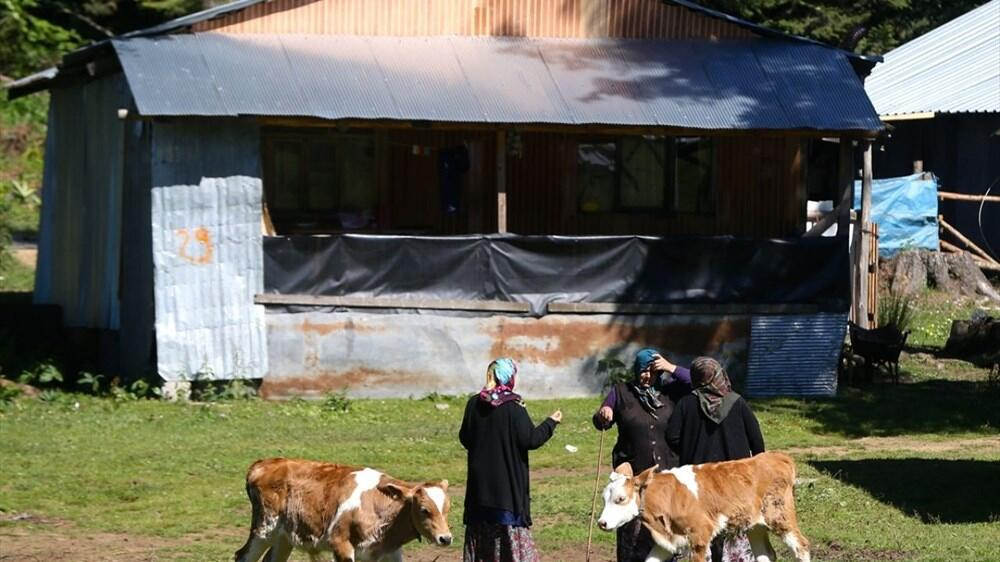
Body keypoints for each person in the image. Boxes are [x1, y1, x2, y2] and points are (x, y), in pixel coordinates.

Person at [592, 348, 692, 562]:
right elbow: (600, 419)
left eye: (652, 371)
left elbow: (698, 382)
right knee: (634, 536)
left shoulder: (671, 392)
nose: (647, 376)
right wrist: (605, 414)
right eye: (643, 371)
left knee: (666, 535)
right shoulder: (621, 391)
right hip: (634, 472)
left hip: (667, 473)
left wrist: (671, 367)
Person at [459, 358, 562, 562]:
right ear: (509, 377)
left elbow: (465, 438)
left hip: (479, 494)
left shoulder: (473, 404)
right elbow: (530, 439)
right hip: (506, 494)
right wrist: (551, 423)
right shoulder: (514, 407)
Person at [666, 356, 765, 562]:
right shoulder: (737, 402)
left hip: (698, 485)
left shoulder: (686, 404)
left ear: (695, 378)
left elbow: (672, 436)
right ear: (719, 375)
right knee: (734, 529)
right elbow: (757, 442)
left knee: (701, 532)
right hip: (734, 484)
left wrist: (690, 448)